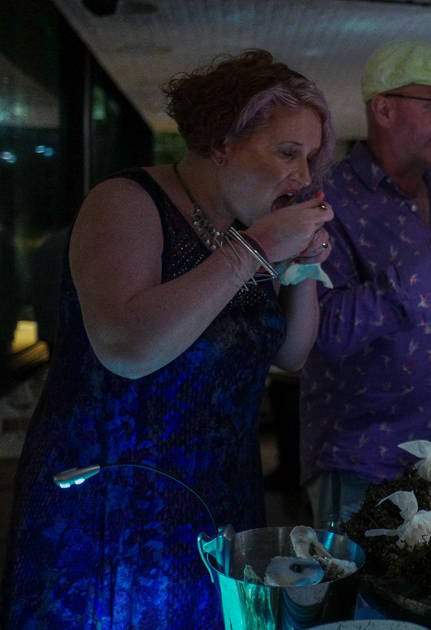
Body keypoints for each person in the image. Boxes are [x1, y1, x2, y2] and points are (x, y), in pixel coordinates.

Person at [1, 49, 335, 629]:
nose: (304, 177)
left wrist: (303, 265)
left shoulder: (238, 230)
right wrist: (257, 250)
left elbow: (292, 354)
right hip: (117, 499)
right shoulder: (127, 201)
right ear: (222, 141)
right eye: (287, 153)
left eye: (309, 158)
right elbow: (128, 350)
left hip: (220, 488)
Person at [299, 40, 431, 527]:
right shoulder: (327, 200)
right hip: (363, 462)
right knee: (358, 581)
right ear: (384, 109)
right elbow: (325, 332)